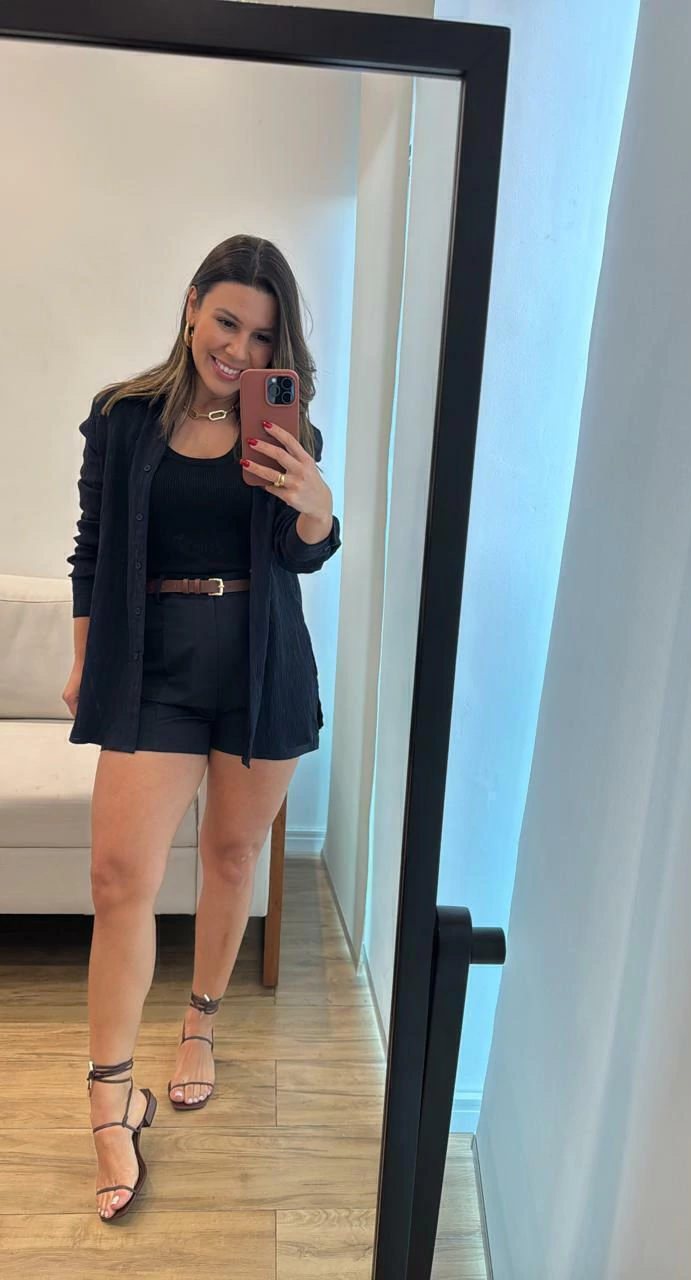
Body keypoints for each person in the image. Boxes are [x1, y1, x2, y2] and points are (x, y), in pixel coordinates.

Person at [63, 234, 341, 1223]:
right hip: (155, 670)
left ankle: (201, 1023)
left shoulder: (288, 425)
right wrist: (86, 660)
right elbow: (92, 549)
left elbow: (301, 556)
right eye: (227, 320)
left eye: (262, 335)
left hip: (260, 666)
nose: (239, 348)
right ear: (190, 307)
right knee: (117, 879)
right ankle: (110, 1098)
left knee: (229, 857)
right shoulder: (123, 417)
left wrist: (316, 506)